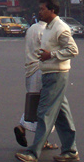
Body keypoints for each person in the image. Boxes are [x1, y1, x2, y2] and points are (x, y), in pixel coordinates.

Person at [15, 0, 80, 162]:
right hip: (48, 73)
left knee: (44, 112)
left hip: (56, 74)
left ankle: (33, 153)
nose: (40, 12)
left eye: (43, 9)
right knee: (61, 114)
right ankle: (70, 150)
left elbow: (73, 50)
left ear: (52, 10)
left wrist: (51, 55)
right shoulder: (48, 28)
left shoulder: (60, 28)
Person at [13, 19, 58, 150]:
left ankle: (26, 129)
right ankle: (39, 139)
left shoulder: (32, 28)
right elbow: (48, 51)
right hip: (40, 69)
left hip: (29, 69)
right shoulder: (45, 31)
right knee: (44, 105)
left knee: (35, 104)